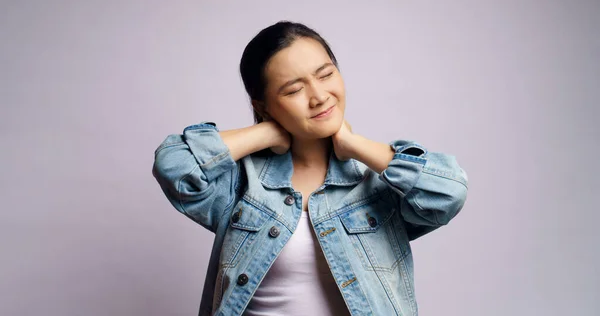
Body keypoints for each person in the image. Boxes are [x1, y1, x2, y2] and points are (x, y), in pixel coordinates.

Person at [152, 21, 469, 316]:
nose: (319, 96)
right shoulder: (240, 184)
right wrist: (266, 133)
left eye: (326, 74)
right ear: (261, 104)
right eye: (293, 90)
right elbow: (174, 166)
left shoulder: (377, 184)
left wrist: (354, 144)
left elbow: (448, 193)